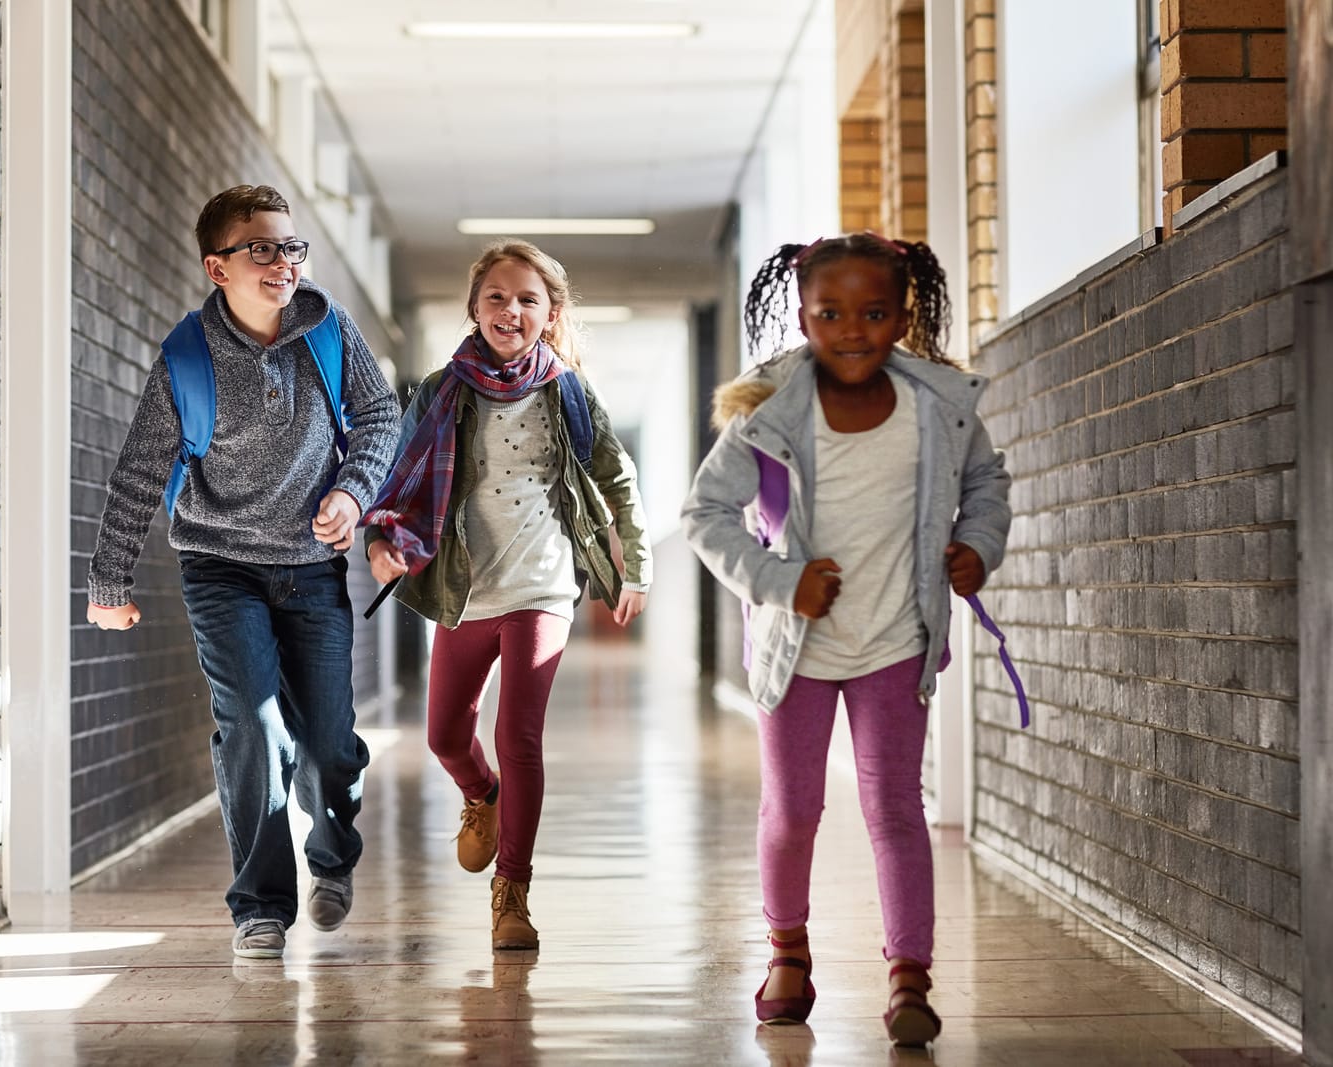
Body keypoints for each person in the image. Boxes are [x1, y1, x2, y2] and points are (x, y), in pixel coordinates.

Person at [681, 233, 1012, 1046]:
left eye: (874, 312)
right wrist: (777, 581)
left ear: (904, 315)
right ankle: (787, 952)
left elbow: (986, 486)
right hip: (797, 647)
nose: (854, 330)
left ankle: (909, 978)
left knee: (896, 809)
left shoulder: (941, 405)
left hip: (898, 638)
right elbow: (705, 516)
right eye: (832, 313)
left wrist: (979, 545)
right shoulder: (770, 413)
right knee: (793, 811)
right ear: (804, 316)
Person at [86, 185, 401, 960]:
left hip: (311, 572)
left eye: (291, 247)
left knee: (329, 746)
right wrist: (109, 582)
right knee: (254, 733)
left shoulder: (329, 331)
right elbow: (138, 471)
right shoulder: (187, 358)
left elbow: (382, 416)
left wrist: (351, 492)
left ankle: (332, 854)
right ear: (217, 267)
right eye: (261, 248)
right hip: (221, 567)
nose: (283, 262)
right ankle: (259, 905)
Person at [362, 239, 651, 951]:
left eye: (528, 299)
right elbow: (396, 473)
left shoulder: (570, 393)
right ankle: (480, 794)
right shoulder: (440, 390)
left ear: (550, 314)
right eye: (497, 296)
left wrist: (635, 567)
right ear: (474, 308)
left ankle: (512, 893)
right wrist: (381, 539)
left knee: (518, 735)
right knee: (443, 736)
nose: (511, 309)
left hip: (542, 586)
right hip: (464, 587)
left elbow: (618, 479)